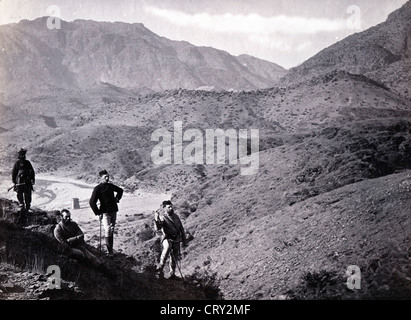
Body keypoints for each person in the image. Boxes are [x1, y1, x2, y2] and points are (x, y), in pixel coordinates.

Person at [89, 170, 123, 257]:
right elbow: (92, 202)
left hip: (113, 211)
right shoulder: (97, 188)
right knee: (108, 230)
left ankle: (111, 250)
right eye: (105, 177)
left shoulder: (110, 186)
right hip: (104, 212)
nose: (107, 178)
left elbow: (120, 190)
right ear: (100, 178)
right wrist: (98, 213)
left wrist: (117, 199)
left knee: (111, 230)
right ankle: (110, 252)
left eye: (108, 176)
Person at [154, 200, 187, 278]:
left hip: (176, 238)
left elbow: (181, 228)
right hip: (167, 237)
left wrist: (184, 238)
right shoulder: (162, 217)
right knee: (166, 249)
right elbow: (158, 228)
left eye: (171, 206)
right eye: (169, 207)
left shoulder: (176, 216)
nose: (171, 208)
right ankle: (160, 270)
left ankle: (172, 273)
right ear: (165, 208)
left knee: (175, 256)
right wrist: (156, 218)